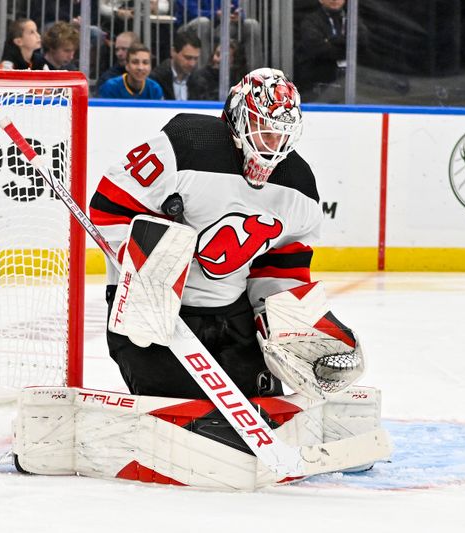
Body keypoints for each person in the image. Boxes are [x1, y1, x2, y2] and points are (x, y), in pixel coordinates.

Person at [89, 68, 318, 398]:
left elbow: (282, 263)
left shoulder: (298, 185)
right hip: (153, 313)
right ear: (238, 117)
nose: (272, 144)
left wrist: (280, 320)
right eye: (263, 130)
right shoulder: (185, 145)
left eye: (281, 135)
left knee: (260, 410)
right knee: (180, 409)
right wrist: (148, 273)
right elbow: (109, 207)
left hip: (233, 315)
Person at [294, 0, 357, 102]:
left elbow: (361, 43)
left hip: (348, 88)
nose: (334, 0)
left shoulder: (352, 19)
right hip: (316, 87)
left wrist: (331, 40)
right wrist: (345, 47)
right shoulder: (311, 21)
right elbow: (317, 48)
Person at [174, 0, 262, 69]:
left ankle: (256, 79)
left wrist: (238, 16)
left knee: (251, 24)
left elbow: (237, 8)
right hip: (190, 26)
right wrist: (216, 14)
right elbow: (191, 12)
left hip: (219, 27)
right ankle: (202, 78)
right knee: (203, 23)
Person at [149, 29, 202, 100]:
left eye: (195, 58)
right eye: (187, 58)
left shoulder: (199, 80)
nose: (192, 64)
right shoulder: (156, 79)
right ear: (173, 52)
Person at [99, 42, 164, 99]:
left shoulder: (155, 89)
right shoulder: (111, 87)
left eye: (145, 62)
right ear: (127, 65)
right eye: (135, 62)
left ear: (150, 66)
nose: (140, 68)